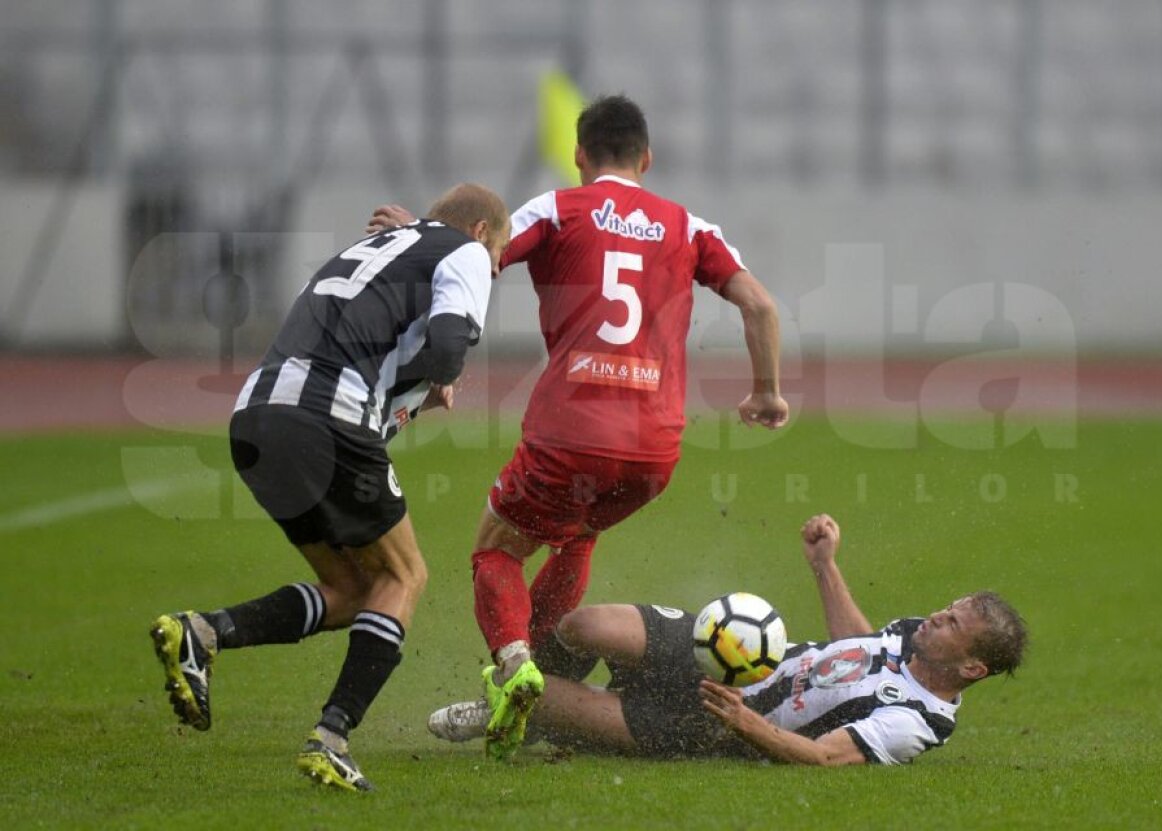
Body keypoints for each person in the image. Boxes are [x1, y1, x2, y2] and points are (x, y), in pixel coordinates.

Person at [368, 95, 789, 761]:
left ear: (580, 156)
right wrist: (765, 391)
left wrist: (417, 232)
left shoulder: (559, 209)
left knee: (496, 549)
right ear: (647, 159)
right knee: (576, 535)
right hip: (653, 451)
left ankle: (515, 672)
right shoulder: (688, 226)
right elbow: (760, 305)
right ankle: (539, 695)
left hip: (571, 431)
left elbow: (474, 257)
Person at [149, 183, 511, 792]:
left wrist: (417, 389)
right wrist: (441, 374)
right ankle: (331, 737)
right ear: (480, 232)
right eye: (498, 258)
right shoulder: (467, 251)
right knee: (405, 576)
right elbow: (449, 345)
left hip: (256, 418)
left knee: (351, 589)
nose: (494, 272)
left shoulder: (373, 248)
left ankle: (203, 631)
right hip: (327, 413)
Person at [428, 514, 1028, 766]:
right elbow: (860, 645)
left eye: (952, 623)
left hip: (710, 720)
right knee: (581, 626)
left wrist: (748, 726)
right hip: (732, 654)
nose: (936, 617)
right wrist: (824, 565)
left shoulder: (916, 721)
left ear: (972, 667)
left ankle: (515, 711)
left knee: (551, 702)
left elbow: (825, 758)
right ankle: (532, 699)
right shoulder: (910, 641)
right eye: (947, 609)